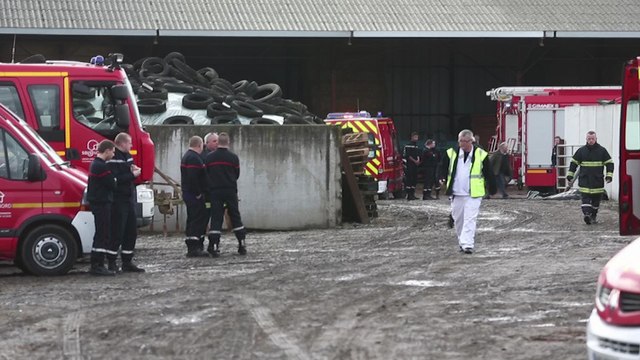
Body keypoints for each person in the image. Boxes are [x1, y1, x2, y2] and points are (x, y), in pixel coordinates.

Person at [438, 129, 496, 254]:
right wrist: (441, 177)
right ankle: (461, 241)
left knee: (470, 218)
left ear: (471, 141)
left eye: (465, 141)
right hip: (456, 193)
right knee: (458, 220)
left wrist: (492, 187)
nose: (462, 144)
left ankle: (468, 244)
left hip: (473, 194)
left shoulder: (481, 154)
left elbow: (488, 172)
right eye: (460, 141)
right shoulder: (451, 153)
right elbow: (442, 167)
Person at [107, 132, 145, 273]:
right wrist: (132, 175)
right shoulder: (113, 157)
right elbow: (115, 179)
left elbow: (127, 172)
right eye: (129, 143)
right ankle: (111, 262)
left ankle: (127, 262)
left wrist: (133, 170)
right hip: (118, 199)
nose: (131, 145)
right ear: (122, 143)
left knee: (131, 231)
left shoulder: (127, 156)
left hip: (129, 197)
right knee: (117, 231)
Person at [204, 132, 247, 256]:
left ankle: (214, 245)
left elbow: (206, 174)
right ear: (228, 143)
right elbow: (236, 174)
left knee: (216, 217)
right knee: (235, 216)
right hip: (230, 190)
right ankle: (242, 244)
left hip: (215, 191)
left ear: (218, 143)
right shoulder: (233, 158)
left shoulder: (209, 158)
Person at [566, 131, 614, 225]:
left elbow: (609, 163)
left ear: (596, 139)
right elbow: (573, 163)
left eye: (592, 139)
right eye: (589, 139)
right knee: (585, 200)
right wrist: (570, 175)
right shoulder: (581, 151)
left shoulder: (602, 151)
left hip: (597, 181)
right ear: (586, 139)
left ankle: (593, 216)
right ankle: (587, 215)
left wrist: (609, 176)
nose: (591, 140)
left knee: (596, 202)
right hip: (585, 181)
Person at [86, 140, 118, 276]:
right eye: (113, 151)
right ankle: (97, 264)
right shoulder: (101, 167)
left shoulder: (96, 165)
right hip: (102, 203)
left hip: (99, 202)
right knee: (102, 233)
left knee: (102, 233)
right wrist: (114, 180)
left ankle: (98, 263)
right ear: (107, 151)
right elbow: (112, 184)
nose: (114, 154)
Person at [181, 136, 210, 257]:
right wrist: (198, 193)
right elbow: (193, 178)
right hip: (193, 195)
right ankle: (194, 247)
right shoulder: (193, 158)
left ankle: (195, 244)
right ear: (200, 145)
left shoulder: (188, 156)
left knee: (194, 218)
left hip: (190, 193)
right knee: (196, 219)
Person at [402, 132, 421, 200]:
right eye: (415, 137)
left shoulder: (416, 146)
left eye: (417, 137)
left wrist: (418, 160)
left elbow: (418, 154)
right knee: (409, 179)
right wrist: (415, 161)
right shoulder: (408, 145)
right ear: (412, 137)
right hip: (409, 165)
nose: (416, 138)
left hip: (415, 165)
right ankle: (409, 195)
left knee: (414, 180)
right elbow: (408, 156)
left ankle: (412, 194)